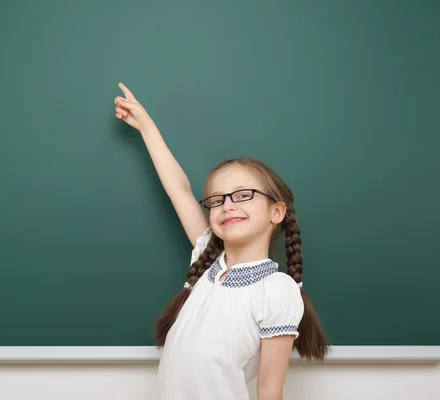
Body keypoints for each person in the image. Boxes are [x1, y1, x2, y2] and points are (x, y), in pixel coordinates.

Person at [113, 83, 328, 400]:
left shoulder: (277, 289)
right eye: (216, 200)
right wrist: (146, 127)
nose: (227, 205)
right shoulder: (207, 262)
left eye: (243, 196)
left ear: (276, 212)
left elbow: (270, 389)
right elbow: (179, 190)